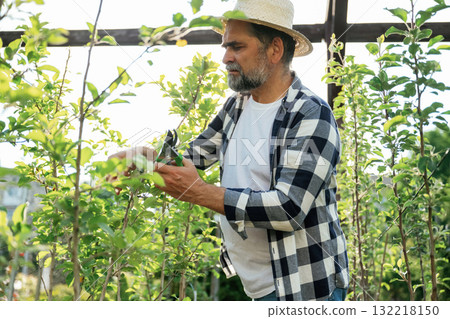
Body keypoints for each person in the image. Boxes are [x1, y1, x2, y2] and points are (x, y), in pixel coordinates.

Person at [112, 0, 349, 301]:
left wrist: (200, 192)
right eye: (225, 47)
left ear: (275, 50)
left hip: (306, 289)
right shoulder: (238, 105)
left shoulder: (311, 114)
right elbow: (192, 157)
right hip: (259, 287)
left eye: (236, 47)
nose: (225, 57)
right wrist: (142, 157)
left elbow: (289, 208)